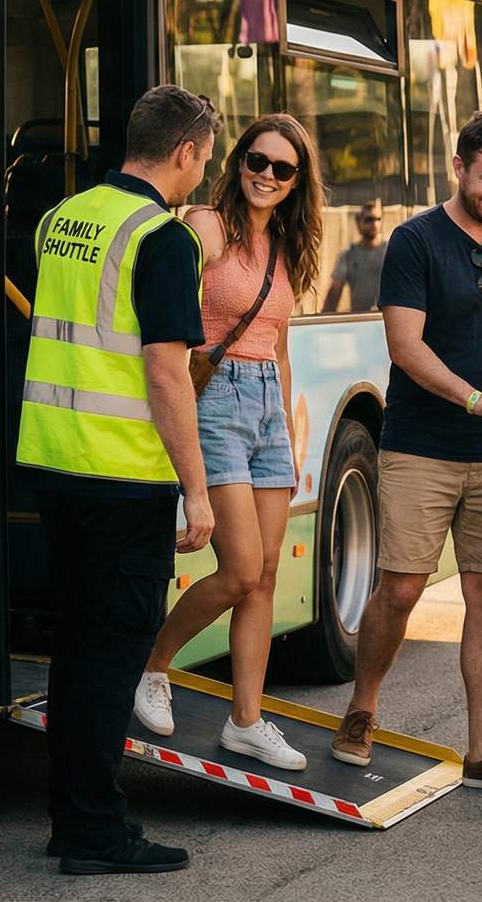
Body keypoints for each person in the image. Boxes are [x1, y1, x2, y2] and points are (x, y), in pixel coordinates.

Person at [332, 110, 482, 790]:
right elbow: (405, 345)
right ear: (458, 166)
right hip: (420, 445)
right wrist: (473, 397)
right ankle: (362, 708)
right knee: (401, 586)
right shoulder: (414, 240)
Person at [19, 84, 215, 876]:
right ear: (184, 152)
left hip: (53, 465)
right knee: (111, 660)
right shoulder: (163, 238)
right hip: (122, 477)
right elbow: (167, 373)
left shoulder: (62, 217)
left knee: (74, 651)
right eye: (204, 157)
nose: (202, 171)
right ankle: (98, 832)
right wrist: (196, 489)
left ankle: (71, 819)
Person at [133, 115, 323, 772]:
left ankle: (246, 720)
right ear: (238, 160)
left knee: (266, 574)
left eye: (282, 168)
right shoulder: (208, 226)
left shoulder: (286, 248)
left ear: (299, 182)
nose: (266, 175)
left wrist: (293, 442)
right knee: (240, 567)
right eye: (256, 160)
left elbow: (281, 345)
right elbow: (172, 315)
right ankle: (155, 665)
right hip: (215, 401)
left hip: (269, 403)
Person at [322, 202, 385, 313]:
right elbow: (333, 296)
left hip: (387, 319)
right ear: (358, 223)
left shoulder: (391, 252)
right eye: (368, 220)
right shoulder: (348, 256)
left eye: (378, 219)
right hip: (360, 321)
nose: (374, 224)